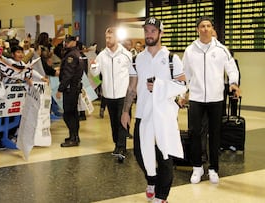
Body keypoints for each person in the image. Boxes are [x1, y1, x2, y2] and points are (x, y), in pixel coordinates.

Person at [121, 17, 187, 203]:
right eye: (147, 30)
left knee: (164, 155)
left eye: (153, 31)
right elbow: (132, 87)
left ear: (160, 33)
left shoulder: (172, 58)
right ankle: (152, 180)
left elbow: (182, 84)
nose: (149, 34)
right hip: (143, 113)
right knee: (140, 153)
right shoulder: (136, 59)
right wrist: (126, 111)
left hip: (164, 116)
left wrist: (160, 85)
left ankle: (161, 196)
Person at [182, 16, 240, 184]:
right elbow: (185, 74)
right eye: (202, 26)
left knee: (215, 134)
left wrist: (234, 83)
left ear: (212, 29)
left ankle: (214, 168)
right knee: (195, 134)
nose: (205, 29)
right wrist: (182, 93)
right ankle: (197, 167)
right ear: (197, 29)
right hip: (196, 98)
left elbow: (232, 68)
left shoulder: (221, 49)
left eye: (208, 26)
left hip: (216, 98)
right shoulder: (190, 50)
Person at [90, 27, 132, 158]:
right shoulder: (102, 56)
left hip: (123, 95)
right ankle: (117, 144)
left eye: (110, 37)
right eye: (106, 38)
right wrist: (93, 67)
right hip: (108, 95)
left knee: (122, 120)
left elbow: (133, 74)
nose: (107, 40)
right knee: (113, 122)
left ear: (116, 38)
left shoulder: (126, 55)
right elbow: (95, 74)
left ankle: (122, 147)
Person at [56, 35, 84, 147]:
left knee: (68, 114)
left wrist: (60, 89)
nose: (66, 43)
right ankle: (74, 136)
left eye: (68, 42)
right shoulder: (77, 53)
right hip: (75, 87)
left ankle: (73, 138)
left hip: (70, 88)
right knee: (73, 114)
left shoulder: (71, 55)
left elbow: (68, 74)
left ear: (73, 42)